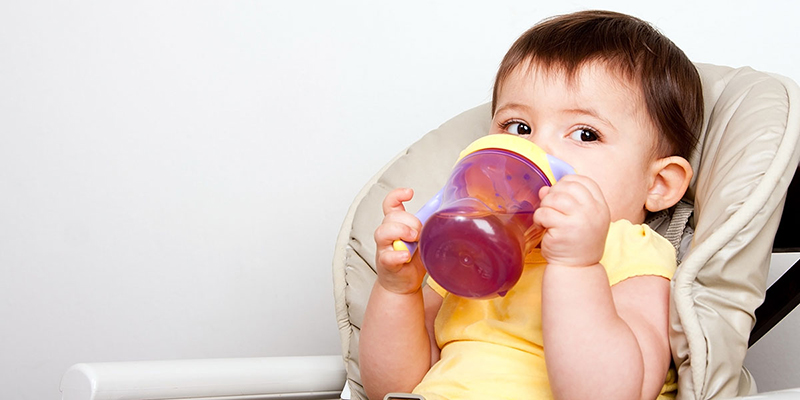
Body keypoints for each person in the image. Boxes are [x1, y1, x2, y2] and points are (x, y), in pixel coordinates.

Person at [360, 10, 703, 400]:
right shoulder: (469, 246)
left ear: (658, 184)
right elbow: (390, 388)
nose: (534, 150)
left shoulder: (632, 251)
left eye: (585, 133)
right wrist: (398, 291)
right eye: (518, 127)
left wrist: (577, 265)